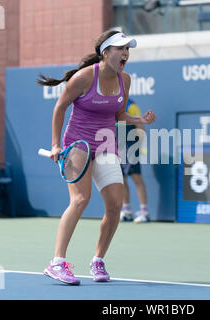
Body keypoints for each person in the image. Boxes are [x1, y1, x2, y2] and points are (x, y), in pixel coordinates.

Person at [37, 30, 156, 285]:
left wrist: (139, 120)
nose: (125, 53)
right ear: (105, 53)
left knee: (114, 206)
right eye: (120, 49)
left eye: (128, 50)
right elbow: (60, 108)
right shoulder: (83, 77)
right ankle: (57, 262)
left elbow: (117, 115)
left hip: (106, 145)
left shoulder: (126, 79)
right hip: (77, 144)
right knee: (80, 200)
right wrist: (57, 144)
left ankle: (98, 260)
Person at [119, 99, 150, 223]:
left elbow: (140, 127)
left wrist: (138, 146)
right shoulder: (112, 103)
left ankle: (144, 212)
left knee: (137, 178)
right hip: (117, 147)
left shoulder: (131, 106)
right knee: (121, 179)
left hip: (131, 147)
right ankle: (126, 211)